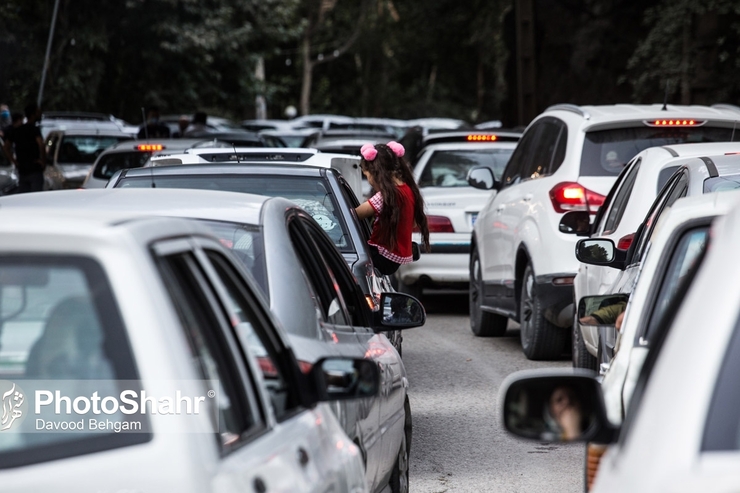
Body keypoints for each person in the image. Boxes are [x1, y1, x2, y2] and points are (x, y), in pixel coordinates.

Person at [354, 141, 430, 276]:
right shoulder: (408, 190)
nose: (369, 181)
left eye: (367, 175)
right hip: (393, 260)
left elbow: (352, 215)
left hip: (381, 256)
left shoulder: (385, 197)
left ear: (375, 172)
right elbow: (413, 223)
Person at [3, 103, 45, 193]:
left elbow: (6, 147)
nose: (40, 114)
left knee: (24, 197)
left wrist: (14, 161)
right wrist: (43, 161)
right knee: (36, 196)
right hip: (34, 169)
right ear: (33, 114)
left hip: (22, 169)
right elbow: (41, 145)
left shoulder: (17, 130)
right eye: (38, 112)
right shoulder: (34, 130)